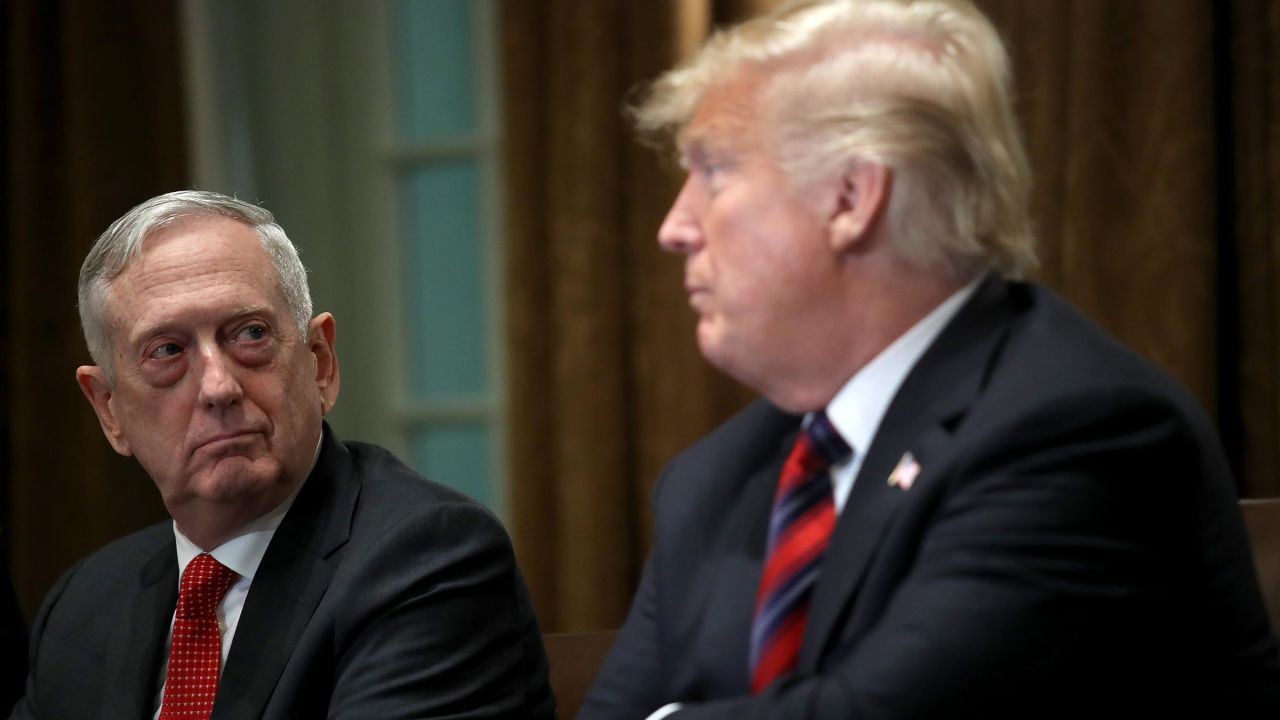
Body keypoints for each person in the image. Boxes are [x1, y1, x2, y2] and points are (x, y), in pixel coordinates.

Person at [581, 0, 1280, 717]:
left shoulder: (1075, 429)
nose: (675, 227)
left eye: (715, 171)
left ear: (851, 197)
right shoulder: (714, 480)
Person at [10, 191, 555, 719]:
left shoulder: (428, 560)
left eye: (250, 334)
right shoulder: (86, 603)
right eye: (168, 351)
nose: (218, 387)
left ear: (320, 363)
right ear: (109, 409)